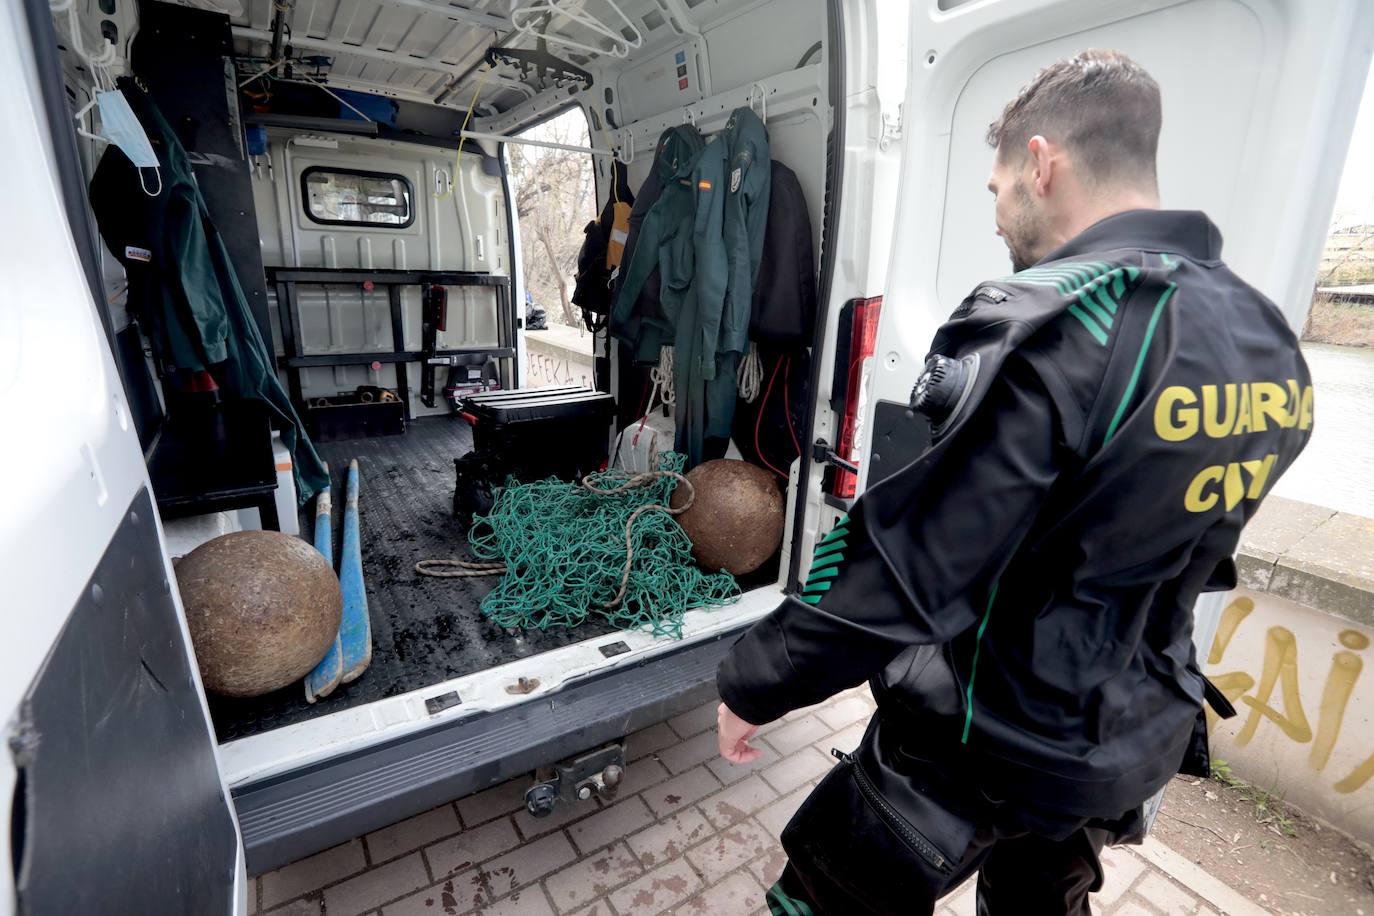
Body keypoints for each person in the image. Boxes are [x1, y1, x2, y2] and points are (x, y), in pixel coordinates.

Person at [715, 49, 1315, 915]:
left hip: (980, 737)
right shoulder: (1263, 336)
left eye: (997, 189)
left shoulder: (1058, 324)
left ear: (1042, 162)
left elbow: (915, 564)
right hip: (1125, 737)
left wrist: (757, 681)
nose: (998, 217)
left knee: (820, 898)